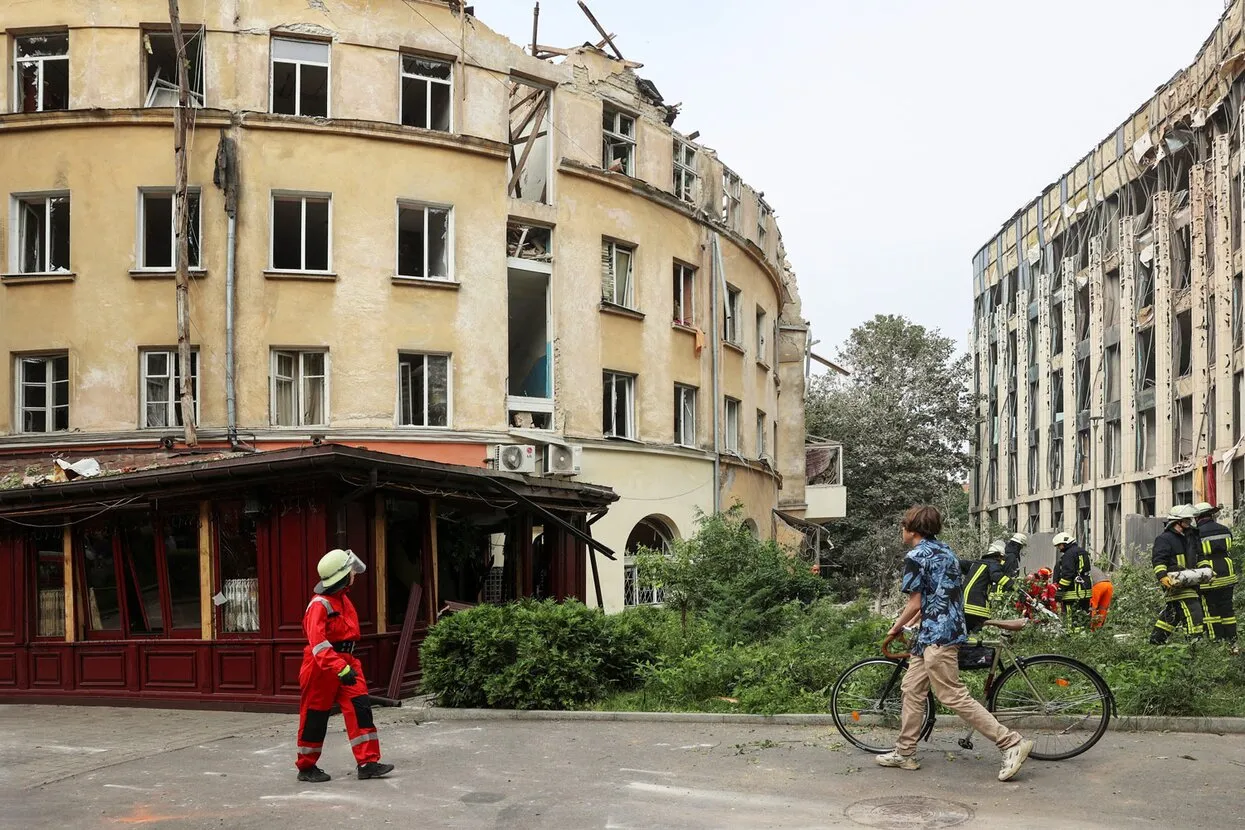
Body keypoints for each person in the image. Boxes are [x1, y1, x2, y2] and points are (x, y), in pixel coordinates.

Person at [877, 505, 1034, 781]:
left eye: (903, 526)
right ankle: (905, 752)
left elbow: (914, 601)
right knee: (912, 688)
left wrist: (895, 628)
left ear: (912, 529)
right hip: (938, 632)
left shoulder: (916, 556)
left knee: (952, 695)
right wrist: (915, 624)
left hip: (937, 637)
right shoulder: (946, 552)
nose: (901, 531)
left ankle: (1010, 742)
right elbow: (940, 595)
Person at [295, 548, 395, 783]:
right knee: (315, 717)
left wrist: (345, 666)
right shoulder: (319, 605)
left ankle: (368, 762)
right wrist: (339, 667)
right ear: (341, 576)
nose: (354, 574)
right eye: (351, 571)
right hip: (323, 668)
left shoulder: (342, 598)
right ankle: (306, 767)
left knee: (360, 709)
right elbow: (318, 644)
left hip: (347, 662)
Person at [1150, 505, 1205, 644]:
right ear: (1177, 522)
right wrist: (1162, 576)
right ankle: (1195, 647)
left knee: (1173, 614)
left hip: (1192, 582)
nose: (1189, 523)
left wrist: (1206, 570)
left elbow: (1200, 556)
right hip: (1176, 583)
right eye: (1186, 520)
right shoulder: (1165, 539)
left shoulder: (1192, 537)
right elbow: (1159, 560)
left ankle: (1156, 642)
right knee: (1194, 612)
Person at [1193, 502, 1237, 645]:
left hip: (1209, 575)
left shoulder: (1196, 533)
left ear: (1198, 517)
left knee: (1211, 610)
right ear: (1211, 515)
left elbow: (1194, 554)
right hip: (1228, 573)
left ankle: (1217, 641)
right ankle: (1232, 640)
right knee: (1227, 610)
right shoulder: (1224, 529)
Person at [962, 540, 1013, 634]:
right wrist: (1012, 584)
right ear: (998, 556)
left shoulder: (977, 563)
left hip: (963, 602)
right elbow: (996, 576)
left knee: (966, 628)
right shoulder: (993, 563)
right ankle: (975, 646)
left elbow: (961, 564)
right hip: (976, 603)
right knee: (979, 625)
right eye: (1002, 558)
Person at [1052, 533, 1092, 626]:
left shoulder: (1068, 555)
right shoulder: (1083, 551)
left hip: (1073, 592)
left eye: (1059, 545)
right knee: (1083, 616)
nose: (1059, 548)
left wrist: (1060, 591)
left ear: (1065, 542)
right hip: (1085, 590)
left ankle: (1071, 636)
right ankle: (1084, 636)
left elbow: (1067, 575)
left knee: (1071, 618)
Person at [1088, 563, 1113, 631]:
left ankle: (1091, 630)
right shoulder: (1093, 567)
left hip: (1097, 585)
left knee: (1092, 608)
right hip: (1108, 585)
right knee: (1103, 609)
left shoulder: (1081, 568)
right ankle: (1098, 630)